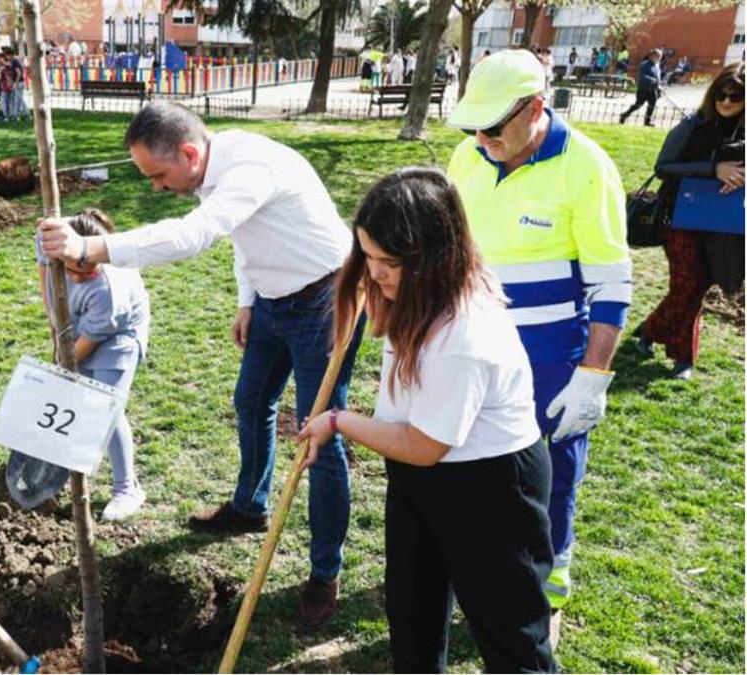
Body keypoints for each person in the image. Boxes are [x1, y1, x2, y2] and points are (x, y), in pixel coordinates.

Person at [38, 102, 365, 626]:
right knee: (251, 402)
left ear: (188, 153)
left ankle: (325, 570)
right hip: (272, 302)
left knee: (320, 438)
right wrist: (247, 299)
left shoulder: (250, 167)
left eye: (159, 175)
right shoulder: (212, 166)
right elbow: (246, 235)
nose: (156, 188)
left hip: (326, 302)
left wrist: (92, 246)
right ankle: (250, 506)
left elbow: (196, 235)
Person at [298, 168, 557, 673]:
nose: (374, 273)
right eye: (367, 257)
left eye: (388, 262)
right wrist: (371, 284)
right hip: (422, 476)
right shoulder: (417, 293)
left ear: (432, 257)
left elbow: (423, 445)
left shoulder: (465, 333)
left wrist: (338, 421)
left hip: (491, 486)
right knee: (412, 615)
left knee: (509, 634)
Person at [446, 49, 631, 643]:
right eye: (474, 124)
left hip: (552, 350)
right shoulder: (466, 156)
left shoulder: (587, 165)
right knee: (469, 459)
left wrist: (593, 375)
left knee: (552, 476)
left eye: (495, 125)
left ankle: (546, 590)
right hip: (475, 339)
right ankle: (475, 565)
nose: (483, 137)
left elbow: (611, 281)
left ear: (535, 108)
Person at [35, 209, 151, 520]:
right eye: (74, 268)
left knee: (105, 407)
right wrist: (55, 325)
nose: (81, 275)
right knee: (84, 399)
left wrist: (64, 358)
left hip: (116, 337)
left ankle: (128, 488)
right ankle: (67, 467)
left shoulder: (109, 289)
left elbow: (80, 352)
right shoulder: (55, 238)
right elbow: (45, 270)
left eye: (89, 269)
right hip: (76, 323)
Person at [636, 63, 745, 380]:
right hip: (680, 217)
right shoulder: (692, 125)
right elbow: (664, 167)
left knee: (700, 283)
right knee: (690, 284)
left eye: (735, 96)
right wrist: (714, 169)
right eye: (720, 95)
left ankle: (650, 331)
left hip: (726, 223)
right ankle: (683, 358)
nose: (726, 102)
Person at [620, 49, 663, 126]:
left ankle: (647, 122)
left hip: (652, 89)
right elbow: (642, 76)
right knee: (638, 105)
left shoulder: (657, 65)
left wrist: (659, 85)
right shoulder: (645, 65)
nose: (659, 58)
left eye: (660, 56)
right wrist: (653, 80)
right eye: (657, 56)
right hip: (643, 89)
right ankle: (624, 115)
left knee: (652, 105)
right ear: (652, 56)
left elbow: (658, 77)